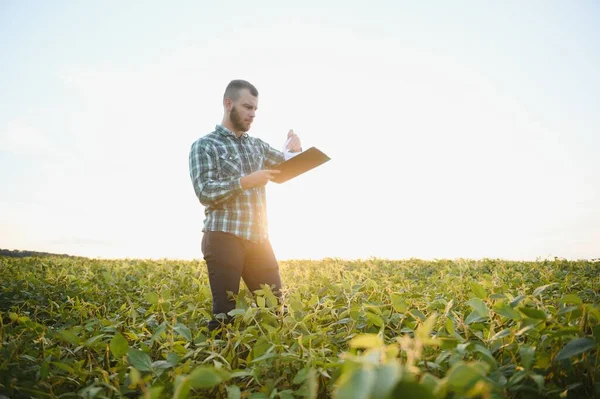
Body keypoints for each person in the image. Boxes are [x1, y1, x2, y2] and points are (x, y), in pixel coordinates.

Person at [189, 79, 302, 331]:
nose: (252, 114)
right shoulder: (205, 145)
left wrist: (295, 151)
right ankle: (218, 363)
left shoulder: (257, 145)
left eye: (255, 109)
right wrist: (244, 182)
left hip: (259, 238)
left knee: (275, 309)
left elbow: (285, 171)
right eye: (247, 107)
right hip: (223, 236)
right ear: (228, 104)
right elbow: (204, 191)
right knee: (225, 314)